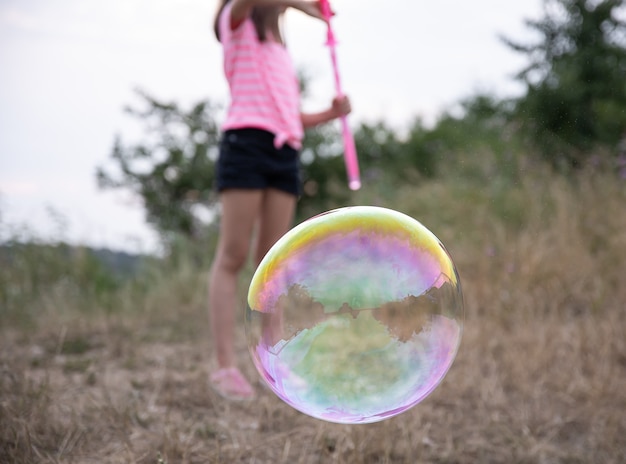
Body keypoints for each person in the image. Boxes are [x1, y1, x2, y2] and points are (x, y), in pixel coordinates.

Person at [208, 0, 352, 400]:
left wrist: (330, 113)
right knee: (233, 255)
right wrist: (300, 3)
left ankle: (277, 366)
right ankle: (224, 368)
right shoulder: (234, 22)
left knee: (272, 262)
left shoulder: (278, 49)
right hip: (246, 143)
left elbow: (288, 113)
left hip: (284, 151)